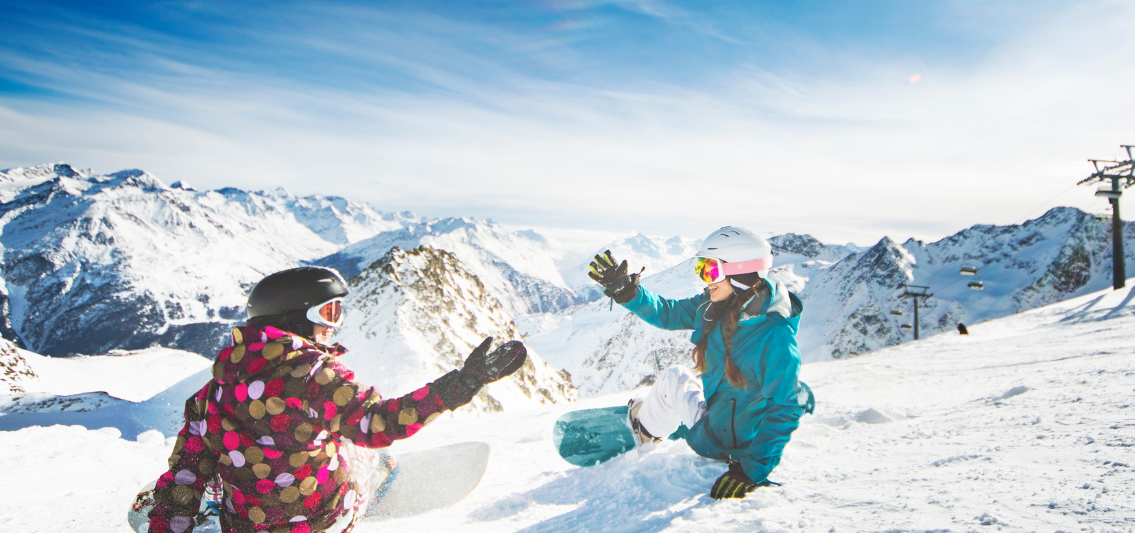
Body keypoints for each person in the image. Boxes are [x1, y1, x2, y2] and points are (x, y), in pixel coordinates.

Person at [147, 266, 526, 533]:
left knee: (214, 450)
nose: (332, 325)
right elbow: (379, 424)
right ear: (293, 319)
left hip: (245, 526)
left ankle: (216, 503)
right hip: (322, 521)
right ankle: (378, 475)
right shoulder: (316, 377)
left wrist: (168, 522)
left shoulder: (212, 392)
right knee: (351, 440)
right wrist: (464, 382)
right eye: (328, 313)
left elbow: (185, 471)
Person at [589, 226, 805, 500]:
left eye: (710, 270)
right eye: (700, 268)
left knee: (674, 379)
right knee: (685, 378)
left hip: (732, 445)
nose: (705, 280)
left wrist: (750, 471)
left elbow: (786, 407)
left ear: (740, 273)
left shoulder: (774, 334)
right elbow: (669, 313)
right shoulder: (715, 306)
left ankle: (645, 428)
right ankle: (667, 415)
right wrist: (630, 293)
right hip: (721, 421)